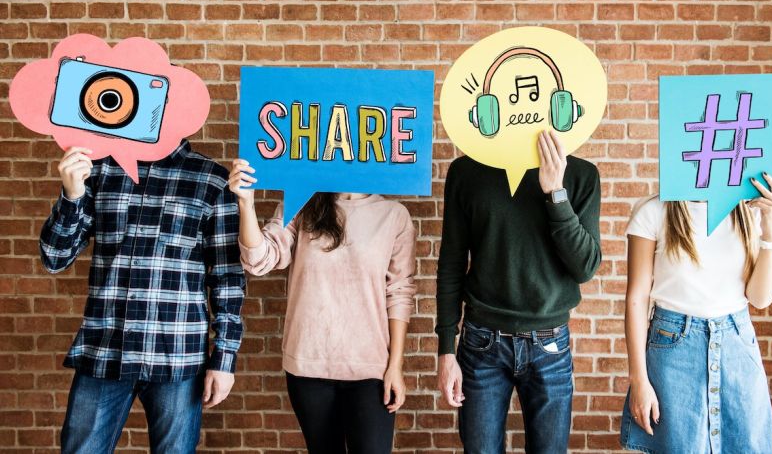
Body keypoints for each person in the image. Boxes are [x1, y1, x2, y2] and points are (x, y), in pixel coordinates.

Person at [40, 142, 245, 454]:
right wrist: (72, 195)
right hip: (104, 350)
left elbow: (227, 279)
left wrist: (224, 360)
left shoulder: (212, 179)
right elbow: (55, 257)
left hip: (177, 357)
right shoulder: (100, 169)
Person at [228, 159, 417, 454]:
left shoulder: (394, 215)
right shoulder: (302, 202)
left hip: (369, 369)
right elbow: (259, 259)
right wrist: (245, 203)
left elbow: (399, 293)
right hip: (308, 365)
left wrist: (395, 367)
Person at [436, 130, 602, 454]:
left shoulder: (581, 175)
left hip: (549, 345)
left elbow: (585, 268)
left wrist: (555, 192)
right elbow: (451, 264)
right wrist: (445, 349)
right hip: (482, 342)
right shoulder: (466, 172)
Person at [620, 173, 772, 453]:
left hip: (737, 345)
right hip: (673, 349)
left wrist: (769, 232)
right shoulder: (654, 211)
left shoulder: (746, 211)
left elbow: (760, 298)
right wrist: (639, 380)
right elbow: (636, 298)